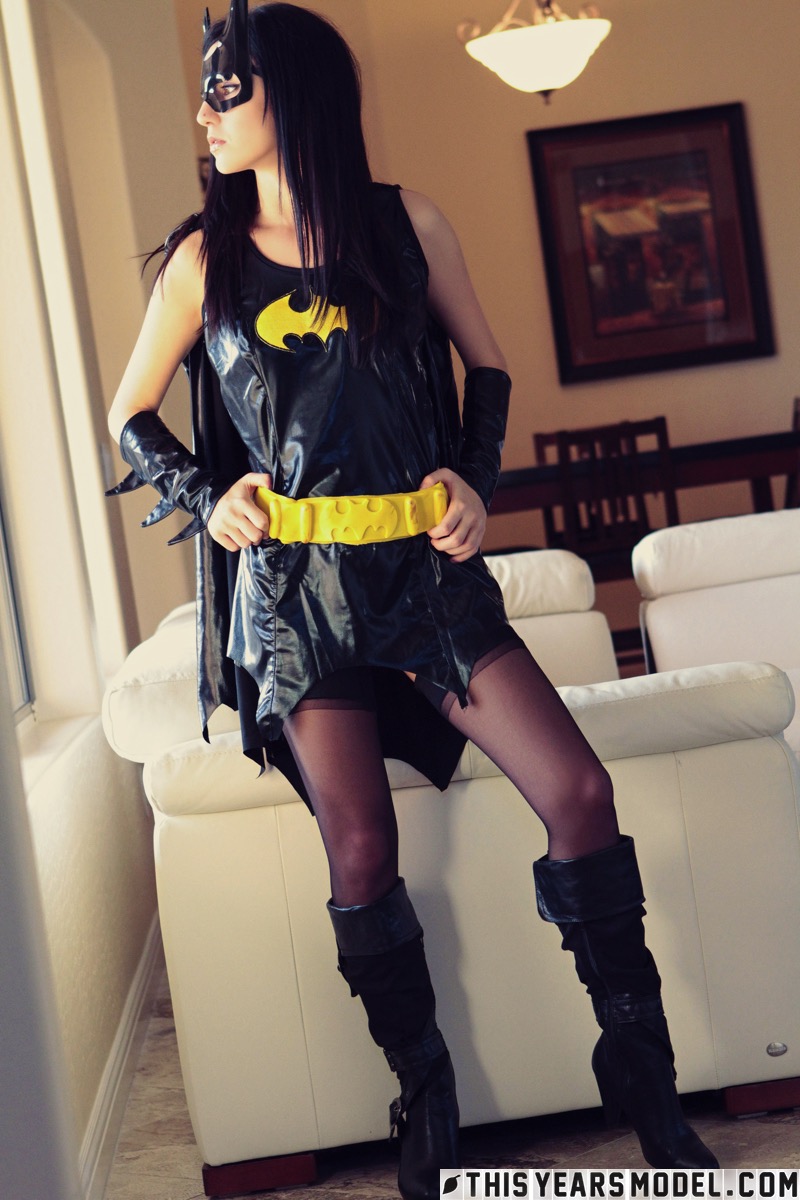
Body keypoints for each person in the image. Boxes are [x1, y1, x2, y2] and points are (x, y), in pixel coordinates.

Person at [107, 3, 719, 1196]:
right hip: (296, 598)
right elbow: (129, 412)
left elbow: (486, 363)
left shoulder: (406, 226)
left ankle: (639, 1070)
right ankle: (423, 1092)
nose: (204, 116)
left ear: (290, 95)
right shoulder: (203, 260)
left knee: (577, 790)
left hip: (424, 576)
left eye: (224, 91)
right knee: (359, 841)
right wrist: (205, 493)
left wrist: (473, 480)